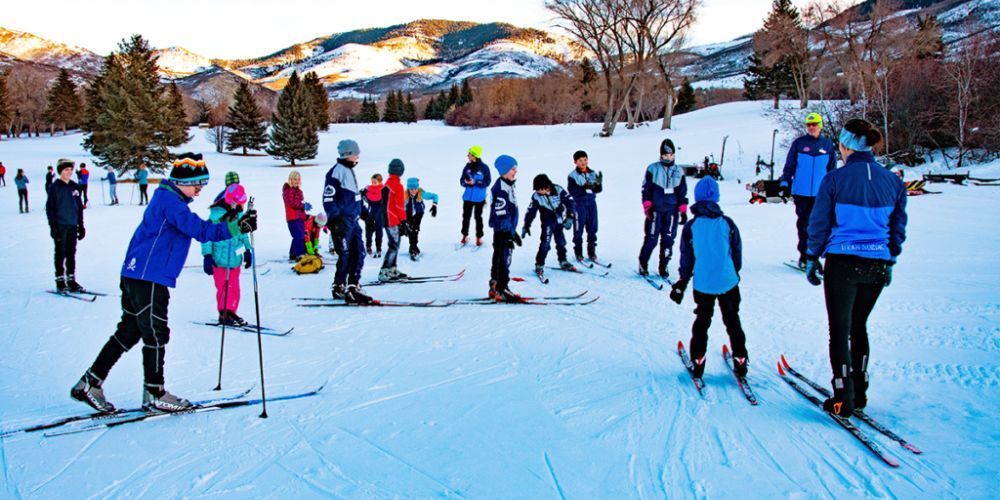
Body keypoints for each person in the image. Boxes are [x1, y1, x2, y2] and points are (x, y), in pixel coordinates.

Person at [70, 152, 257, 413]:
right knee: (156, 333)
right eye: (197, 185)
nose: (199, 191)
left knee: (130, 330)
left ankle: (90, 382)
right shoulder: (172, 203)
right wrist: (237, 227)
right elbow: (201, 231)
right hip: (149, 277)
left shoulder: (167, 198)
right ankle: (154, 393)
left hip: (138, 274)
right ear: (182, 182)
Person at [804, 118, 907, 418]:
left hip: (843, 263)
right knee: (858, 326)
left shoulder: (834, 179)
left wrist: (812, 257)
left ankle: (842, 397)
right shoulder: (893, 181)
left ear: (845, 145)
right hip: (876, 264)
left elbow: (819, 223)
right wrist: (890, 259)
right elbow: (897, 229)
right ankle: (859, 392)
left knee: (840, 330)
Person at [670, 177, 748, 379]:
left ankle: (698, 360)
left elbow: (687, 258)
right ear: (717, 197)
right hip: (728, 281)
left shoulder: (692, 226)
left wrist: (681, 283)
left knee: (702, 321)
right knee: (733, 321)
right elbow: (736, 253)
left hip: (703, 284)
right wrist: (733, 273)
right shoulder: (727, 223)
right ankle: (740, 359)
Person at [779, 112, 837, 269]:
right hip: (801, 193)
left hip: (820, 194)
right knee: (804, 225)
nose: (811, 127)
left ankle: (813, 256)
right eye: (808, 125)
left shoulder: (827, 145)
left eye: (814, 124)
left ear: (820, 125)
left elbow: (832, 170)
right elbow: (789, 166)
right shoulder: (799, 143)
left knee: (818, 226)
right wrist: (785, 184)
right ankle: (804, 257)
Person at [323, 139, 373, 304]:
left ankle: (353, 285)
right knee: (345, 255)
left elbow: (355, 197)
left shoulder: (350, 171)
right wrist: (335, 219)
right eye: (355, 154)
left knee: (359, 253)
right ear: (347, 154)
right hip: (342, 223)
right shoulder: (336, 172)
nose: (357, 156)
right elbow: (328, 198)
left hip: (353, 221)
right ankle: (339, 286)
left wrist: (365, 214)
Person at [201, 183, 252, 327]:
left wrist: (247, 250)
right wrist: (207, 256)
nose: (241, 206)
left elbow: (243, 234)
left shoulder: (239, 215)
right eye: (239, 203)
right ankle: (224, 313)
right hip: (219, 260)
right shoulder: (215, 217)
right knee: (224, 287)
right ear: (231, 201)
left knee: (235, 288)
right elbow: (206, 237)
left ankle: (231, 311)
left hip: (235, 259)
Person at [639, 139, 688, 279]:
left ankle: (663, 266)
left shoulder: (679, 170)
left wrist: (683, 209)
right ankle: (643, 263)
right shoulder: (652, 169)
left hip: (672, 211)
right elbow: (646, 189)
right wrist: (647, 205)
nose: (668, 157)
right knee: (651, 239)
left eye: (671, 155)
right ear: (661, 155)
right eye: (665, 155)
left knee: (668, 239)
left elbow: (682, 191)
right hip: (656, 210)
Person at [522, 174, 576, 277]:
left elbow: (570, 202)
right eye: (537, 189)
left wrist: (570, 217)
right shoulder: (536, 196)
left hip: (559, 218)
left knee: (561, 241)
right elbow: (531, 212)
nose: (538, 192)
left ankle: (563, 260)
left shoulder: (558, 190)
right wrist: (527, 225)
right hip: (547, 221)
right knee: (545, 244)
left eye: (540, 189)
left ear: (546, 187)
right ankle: (539, 264)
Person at [46, 160, 85, 292]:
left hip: (72, 224)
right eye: (65, 170)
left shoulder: (75, 186)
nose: (69, 172)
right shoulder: (55, 187)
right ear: (60, 171)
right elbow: (50, 208)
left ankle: (71, 279)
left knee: (71, 253)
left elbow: (79, 208)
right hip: (60, 225)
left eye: (70, 170)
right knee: (60, 253)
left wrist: (81, 225)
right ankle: (60, 280)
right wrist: (53, 227)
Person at [488, 154, 523, 302]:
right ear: (503, 171)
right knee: (504, 259)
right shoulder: (501, 188)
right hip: (503, 230)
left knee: (498, 258)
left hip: (504, 229)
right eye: (512, 169)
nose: (515, 171)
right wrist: (511, 233)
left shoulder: (507, 184)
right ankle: (502, 289)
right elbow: (502, 214)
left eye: (516, 168)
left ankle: (495, 285)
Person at [566, 150, 603, 262]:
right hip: (579, 204)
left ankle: (592, 252)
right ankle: (578, 252)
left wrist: (597, 185)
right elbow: (572, 191)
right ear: (575, 162)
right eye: (580, 160)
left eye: (585, 159)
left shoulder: (592, 173)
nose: (583, 162)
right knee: (579, 229)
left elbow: (598, 190)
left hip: (591, 204)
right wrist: (584, 187)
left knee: (592, 228)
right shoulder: (572, 176)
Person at [379, 159, 409, 281]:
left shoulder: (387, 184)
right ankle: (385, 270)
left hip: (386, 219)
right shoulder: (397, 185)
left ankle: (392, 269)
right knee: (394, 245)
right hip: (392, 220)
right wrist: (403, 221)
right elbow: (399, 206)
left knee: (394, 244)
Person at [459, 145, 491, 247]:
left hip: (479, 198)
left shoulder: (484, 168)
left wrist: (476, 182)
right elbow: (461, 181)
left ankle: (479, 238)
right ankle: (464, 236)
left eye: (469, 154)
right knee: (465, 217)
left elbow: (487, 182)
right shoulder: (467, 167)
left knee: (478, 217)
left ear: (474, 155)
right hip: (467, 197)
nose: (467, 155)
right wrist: (465, 182)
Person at [404, 177, 438, 260]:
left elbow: (435, 196)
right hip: (408, 214)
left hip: (419, 213)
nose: (413, 190)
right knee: (410, 229)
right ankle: (413, 247)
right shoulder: (404, 195)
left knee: (415, 229)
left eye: (415, 188)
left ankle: (413, 247)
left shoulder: (421, 193)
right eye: (411, 189)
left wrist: (434, 206)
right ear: (408, 188)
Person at [282, 170, 309, 261]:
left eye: (298, 179)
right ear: (290, 180)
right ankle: (300, 254)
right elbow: (291, 203)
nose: (296, 181)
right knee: (299, 236)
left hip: (300, 217)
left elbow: (300, 203)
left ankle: (293, 253)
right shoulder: (288, 191)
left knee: (299, 235)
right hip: (293, 217)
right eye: (294, 179)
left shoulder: (299, 191)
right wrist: (302, 205)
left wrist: (305, 207)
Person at [360, 173, 385, 257]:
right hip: (371, 211)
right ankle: (368, 246)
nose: (373, 183)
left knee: (379, 230)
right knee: (369, 229)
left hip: (380, 212)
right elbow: (361, 195)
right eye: (372, 182)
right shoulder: (367, 189)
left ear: (380, 181)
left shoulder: (384, 189)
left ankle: (379, 248)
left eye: (375, 182)